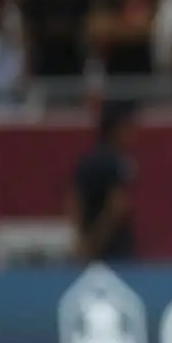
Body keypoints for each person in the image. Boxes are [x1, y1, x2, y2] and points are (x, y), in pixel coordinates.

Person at [72, 103, 137, 263]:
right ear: (115, 130)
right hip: (113, 248)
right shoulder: (114, 163)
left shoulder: (86, 161)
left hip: (91, 240)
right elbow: (116, 207)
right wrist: (95, 242)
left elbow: (74, 203)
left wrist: (81, 238)